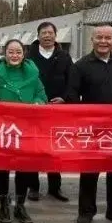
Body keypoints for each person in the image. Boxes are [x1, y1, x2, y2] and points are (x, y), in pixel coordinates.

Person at [68, 25, 112, 223]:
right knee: (90, 172)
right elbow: (72, 95)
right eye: (99, 37)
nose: (103, 41)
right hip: (92, 129)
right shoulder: (81, 65)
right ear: (92, 40)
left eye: (108, 38)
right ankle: (86, 212)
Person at [0, 39, 47, 223]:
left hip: (26, 127)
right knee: (0, 166)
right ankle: (3, 202)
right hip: (2, 127)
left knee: (24, 166)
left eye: (18, 52)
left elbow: (41, 94)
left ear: (23, 54)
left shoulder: (32, 73)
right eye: (11, 52)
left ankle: (20, 204)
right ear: (4, 53)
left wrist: (38, 103)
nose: (14, 55)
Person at [25, 21, 74, 203]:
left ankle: (55, 187)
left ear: (55, 35)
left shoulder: (64, 57)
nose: (47, 36)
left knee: (54, 148)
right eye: (43, 33)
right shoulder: (29, 56)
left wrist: (64, 98)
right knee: (33, 147)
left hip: (56, 108)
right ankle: (33, 187)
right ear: (38, 36)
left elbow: (72, 81)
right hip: (34, 108)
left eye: (50, 33)